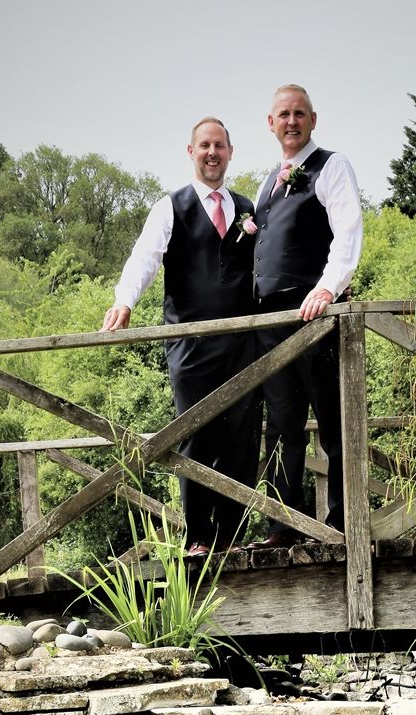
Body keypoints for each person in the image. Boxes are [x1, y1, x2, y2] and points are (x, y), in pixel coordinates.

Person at [102, 117, 261, 557]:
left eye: (220, 146)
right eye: (204, 146)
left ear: (230, 152)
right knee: (195, 436)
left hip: (243, 344)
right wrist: (124, 301)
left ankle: (231, 537)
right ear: (191, 152)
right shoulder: (170, 207)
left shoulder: (249, 208)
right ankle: (197, 537)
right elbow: (144, 259)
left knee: (242, 439)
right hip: (190, 345)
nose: (212, 153)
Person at [246, 84, 364, 549]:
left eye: (299, 114)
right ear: (270, 124)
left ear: (313, 120)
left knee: (333, 420)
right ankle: (283, 527)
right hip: (268, 324)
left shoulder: (332, 166)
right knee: (280, 426)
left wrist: (327, 288)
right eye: (283, 114)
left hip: (315, 314)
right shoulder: (268, 180)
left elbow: (348, 230)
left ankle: (339, 524)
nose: (291, 121)